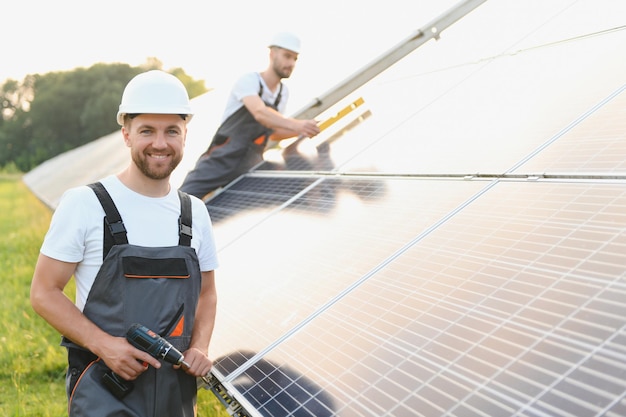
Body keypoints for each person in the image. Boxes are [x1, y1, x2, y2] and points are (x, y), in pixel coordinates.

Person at [30, 70, 219, 416]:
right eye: (147, 130)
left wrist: (201, 345)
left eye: (171, 131)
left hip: (175, 394)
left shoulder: (196, 214)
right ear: (127, 135)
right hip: (103, 388)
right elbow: (43, 292)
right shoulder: (85, 204)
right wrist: (104, 345)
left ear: (185, 136)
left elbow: (206, 293)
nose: (160, 143)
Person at [179, 31, 321, 199]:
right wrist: (298, 125)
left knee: (273, 199)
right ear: (272, 53)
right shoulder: (249, 81)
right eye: (287, 56)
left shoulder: (283, 93)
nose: (291, 63)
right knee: (182, 201)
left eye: (295, 59)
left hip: (251, 165)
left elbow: (272, 132)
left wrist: (303, 131)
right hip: (220, 160)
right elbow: (260, 113)